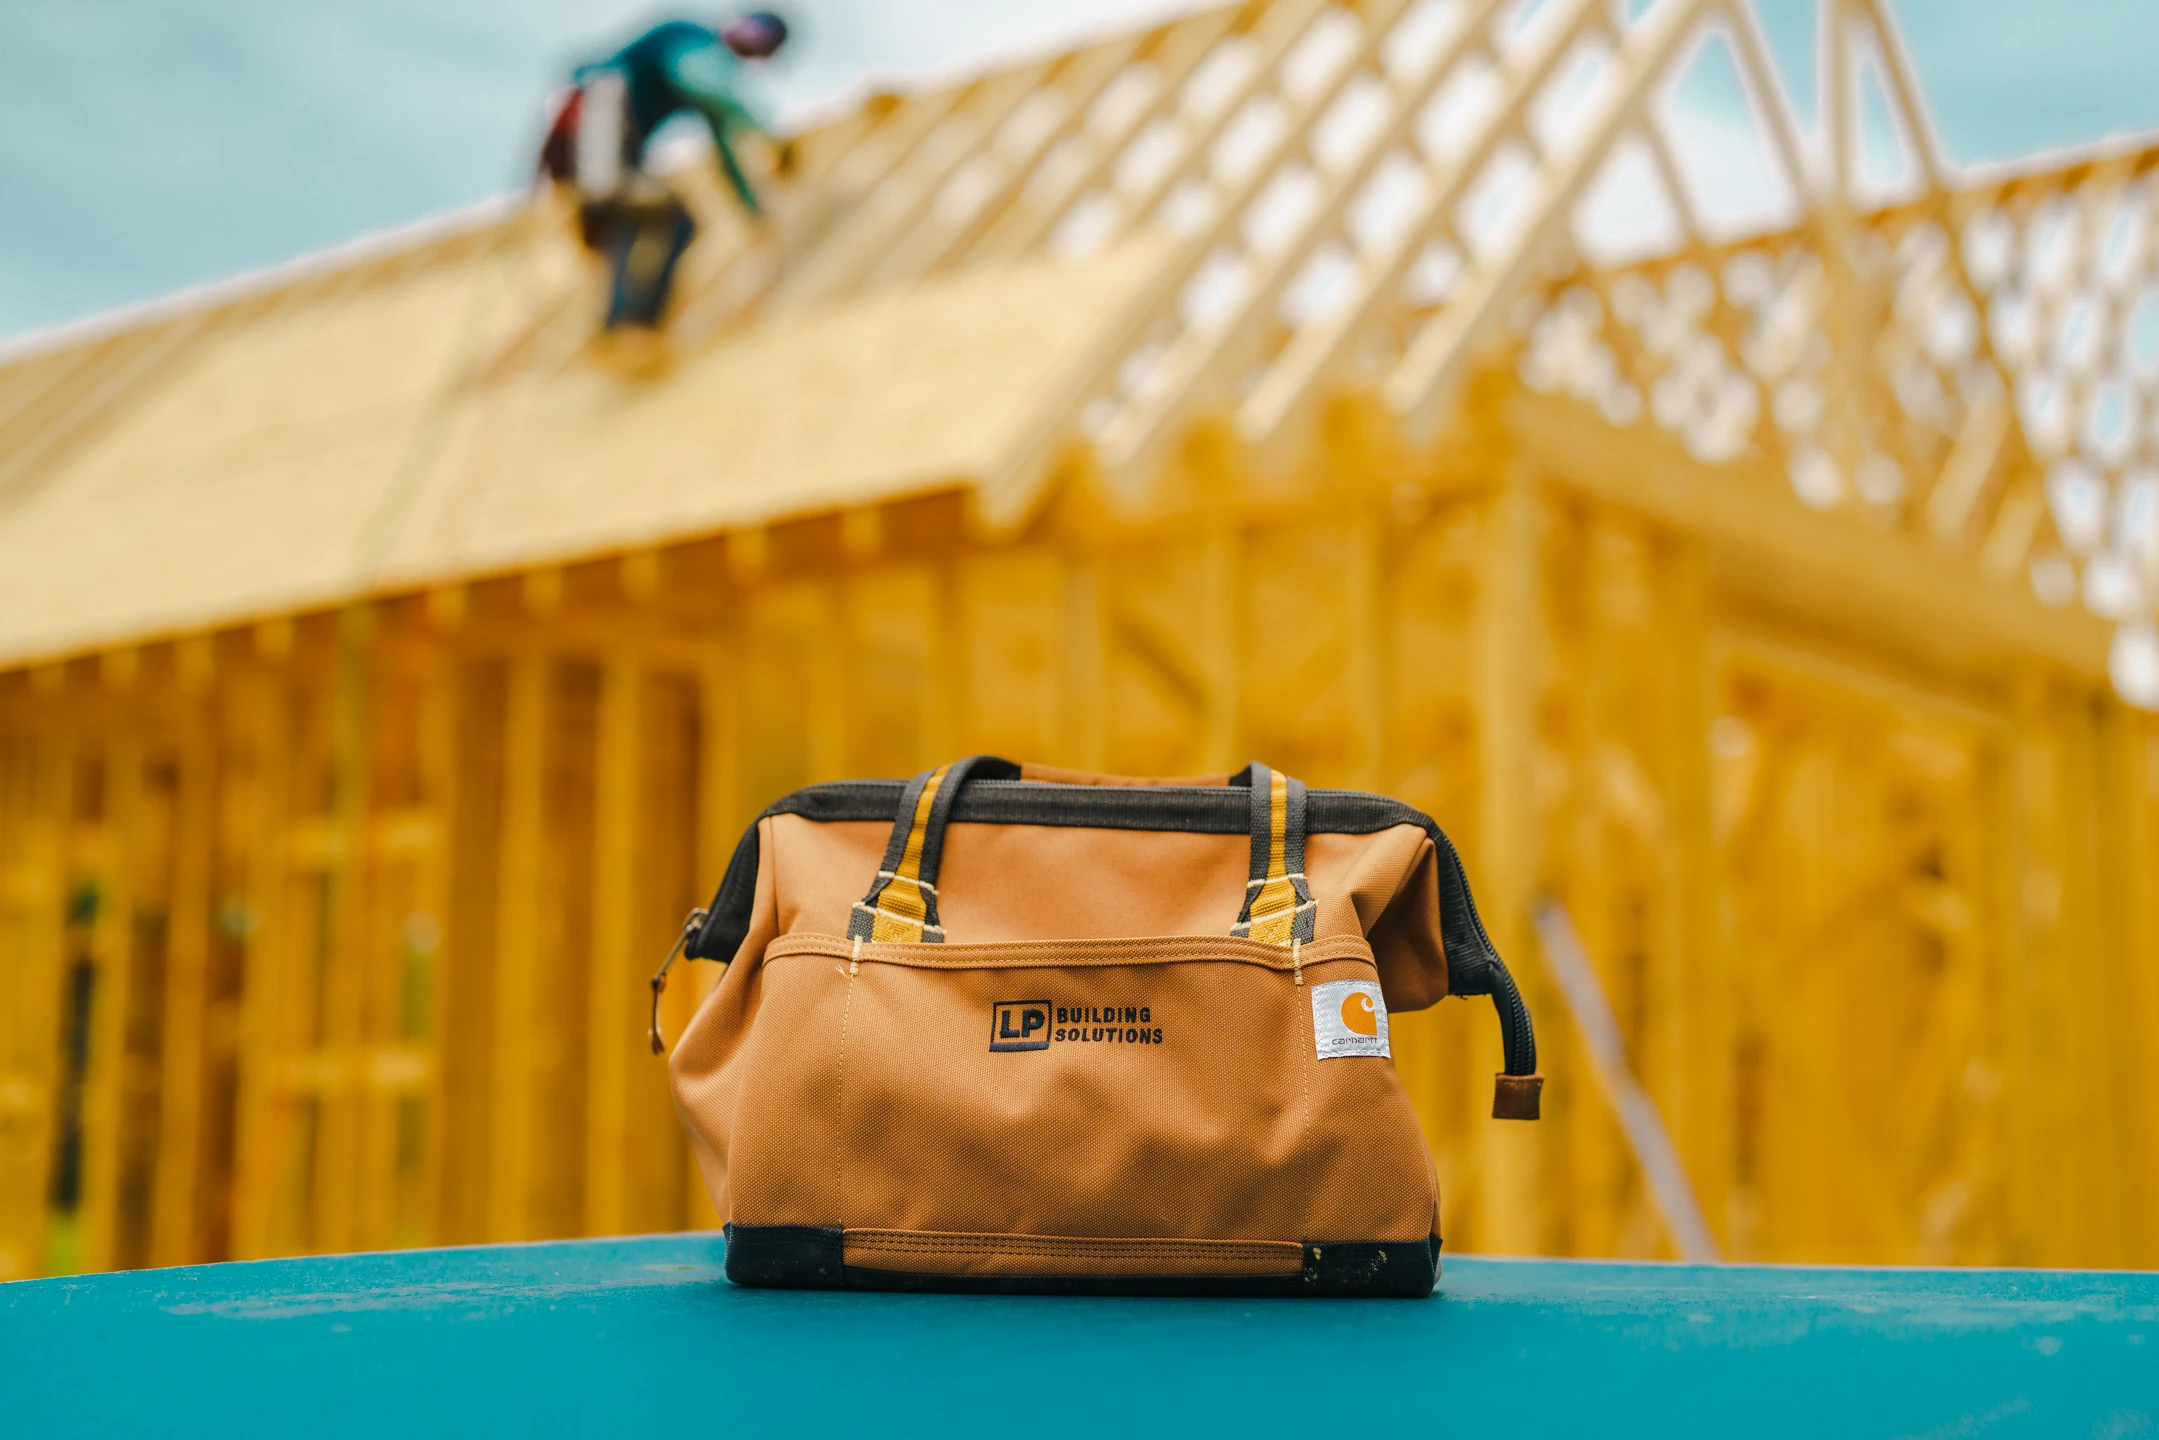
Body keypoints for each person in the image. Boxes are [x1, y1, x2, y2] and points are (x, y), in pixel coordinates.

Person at [542, 13, 789, 331]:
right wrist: (768, 135)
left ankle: (623, 328)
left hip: (596, 144)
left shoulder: (702, 59)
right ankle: (629, 325)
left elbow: (724, 150)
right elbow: (701, 82)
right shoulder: (695, 43)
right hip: (595, 136)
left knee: (652, 217)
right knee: (663, 216)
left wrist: (753, 212)